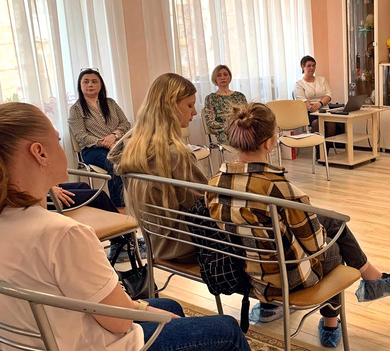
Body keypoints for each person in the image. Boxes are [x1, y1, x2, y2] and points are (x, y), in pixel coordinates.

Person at [0, 102, 250, 351]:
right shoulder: (64, 234)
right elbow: (118, 322)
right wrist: (141, 309)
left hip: (39, 340)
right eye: (57, 139)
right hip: (93, 344)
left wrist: (142, 307)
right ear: (40, 153)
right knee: (227, 330)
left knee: (169, 306)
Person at [207, 102, 390, 348]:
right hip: (286, 279)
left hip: (245, 271)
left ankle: (271, 308)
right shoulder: (278, 189)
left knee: (329, 221)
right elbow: (316, 245)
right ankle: (332, 322)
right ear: (269, 143)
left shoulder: (214, 183)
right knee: (334, 245)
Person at [110, 73, 207, 264]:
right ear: (170, 106)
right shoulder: (176, 154)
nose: (194, 112)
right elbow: (203, 205)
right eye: (190, 105)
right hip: (186, 246)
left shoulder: (131, 149)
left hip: (155, 242)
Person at [68, 68, 130, 207]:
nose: (90, 84)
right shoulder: (76, 109)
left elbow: (126, 123)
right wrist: (106, 143)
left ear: (100, 85)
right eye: (86, 82)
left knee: (140, 159)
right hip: (92, 150)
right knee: (115, 164)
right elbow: (82, 137)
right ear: (80, 85)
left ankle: (139, 201)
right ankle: (119, 207)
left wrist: (114, 136)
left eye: (94, 81)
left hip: (118, 144)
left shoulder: (111, 103)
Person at [203, 65, 247, 145]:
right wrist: (231, 127)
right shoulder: (211, 98)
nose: (222, 78)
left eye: (225, 74)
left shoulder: (240, 96)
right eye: (219, 75)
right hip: (225, 133)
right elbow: (211, 123)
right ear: (215, 79)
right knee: (246, 142)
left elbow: (247, 115)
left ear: (230, 77)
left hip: (243, 129)